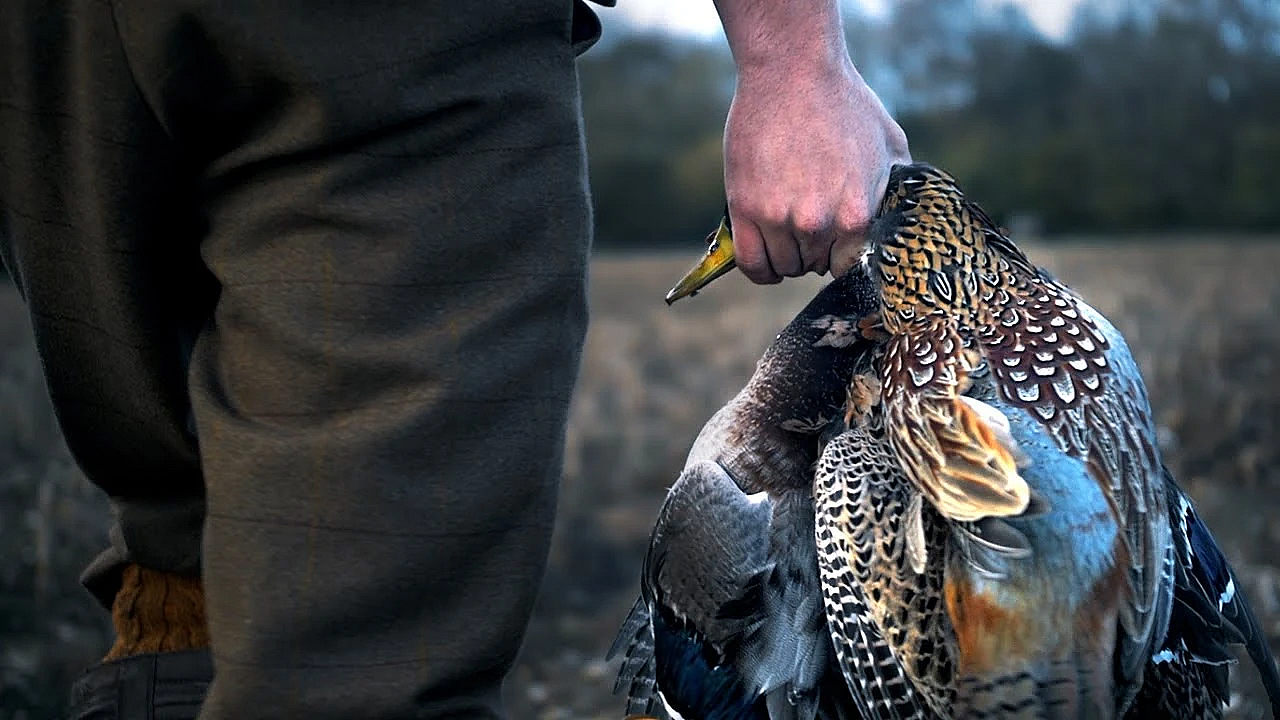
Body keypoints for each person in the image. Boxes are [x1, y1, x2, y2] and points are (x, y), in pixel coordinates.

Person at [0, 0, 908, 717]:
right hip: (383, 43)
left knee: (181, 558)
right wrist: (795, 63)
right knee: (365, 652)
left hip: (55, 43)